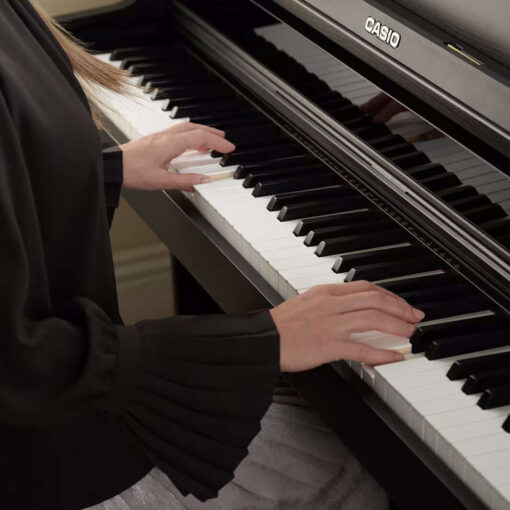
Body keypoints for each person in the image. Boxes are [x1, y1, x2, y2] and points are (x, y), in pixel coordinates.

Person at [0, 1, 425, 509]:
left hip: (66, 431)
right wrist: (264, 338)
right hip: (59, 471)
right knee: (373, 461)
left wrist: (98, 170)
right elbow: (18, 367)